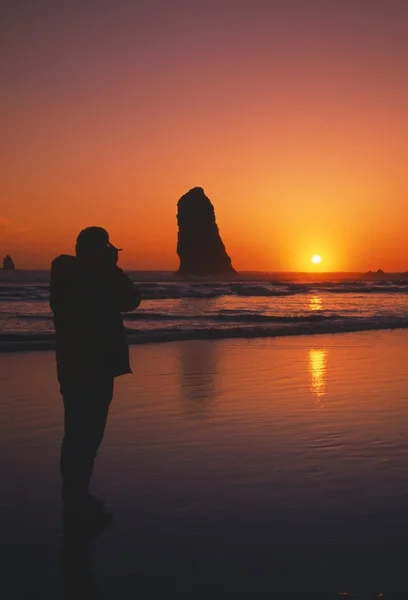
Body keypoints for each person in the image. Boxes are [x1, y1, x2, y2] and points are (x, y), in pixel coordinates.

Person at [50, 227, 141, 524]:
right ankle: (75, 495)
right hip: (94, 363)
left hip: (75, 363)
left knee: (79, 431)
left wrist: (106, 266)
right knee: (86, 433)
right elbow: (131, 299)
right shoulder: (88, 274)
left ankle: (74, 493)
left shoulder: (67, 271)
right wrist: (112, 267)